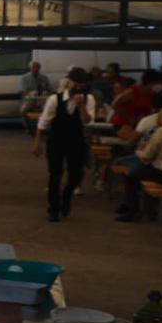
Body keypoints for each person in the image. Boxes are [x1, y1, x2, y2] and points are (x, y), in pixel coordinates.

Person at [34, 68, 98, 221]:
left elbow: (87, 121)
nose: (78, 87)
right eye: (76, 83)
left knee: (76, 174)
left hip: (76, 140)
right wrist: (37, 141)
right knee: (55, 174)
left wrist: (81, 105)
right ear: (69, 83)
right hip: (57, 139)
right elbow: (44, 121)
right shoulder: (55, 99)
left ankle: (67, 196)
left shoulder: (89, 99)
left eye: (82, 84)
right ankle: (53, 209)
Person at [110, 70, 162, 134]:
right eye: (158, 83)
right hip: (123, 124)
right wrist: (129, 118)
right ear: (149, 82)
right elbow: (115, 104)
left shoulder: (151, 94)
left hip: (140, 125)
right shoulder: (132, 92)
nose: (160, 86)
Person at [18, 61, 52, 134]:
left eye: (38, 67)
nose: (36, 69)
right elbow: (22, 90)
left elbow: (50, 89)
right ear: (30, 68)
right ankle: (28, 127)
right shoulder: (24, 77)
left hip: (42, 99)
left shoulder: (44, 77)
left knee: (47, 110)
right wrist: (30, 94)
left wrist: (47, 92)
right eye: (34, 67)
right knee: (23, 110)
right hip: (30, 100)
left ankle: (44, 127)